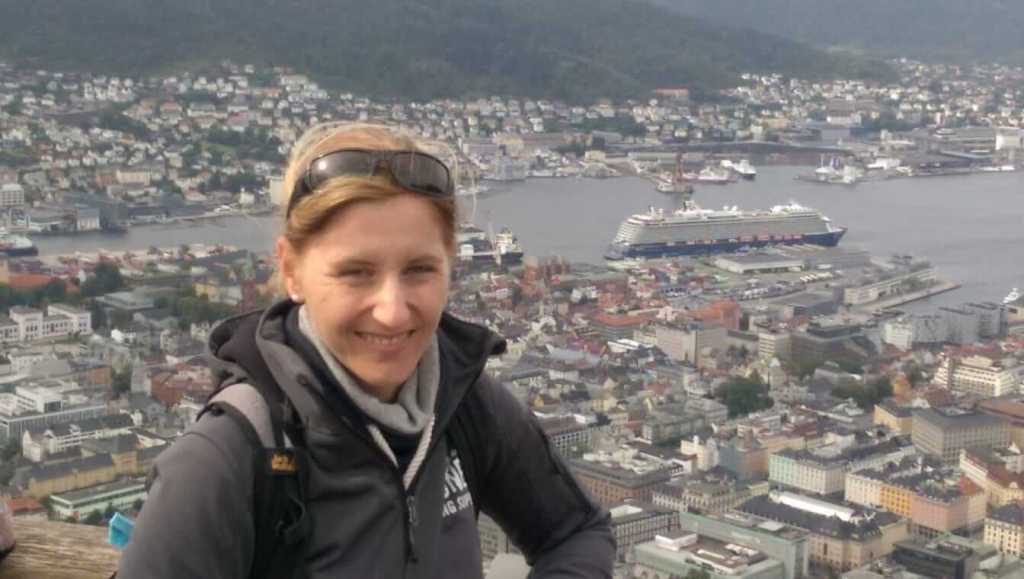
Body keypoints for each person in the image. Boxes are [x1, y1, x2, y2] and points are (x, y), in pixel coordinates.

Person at [117, 123, 615, 578]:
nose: (393, 312)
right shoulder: (228, 460)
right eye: (356, 272)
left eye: (420, 269)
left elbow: (576, 532)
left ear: (450, 266)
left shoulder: (465, 405)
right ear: (291, 270)